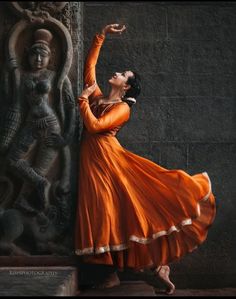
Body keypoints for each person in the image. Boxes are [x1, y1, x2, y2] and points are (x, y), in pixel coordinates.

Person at [75, 24, 216, 294]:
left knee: (117, 212)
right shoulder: (102, 98)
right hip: (94, 162)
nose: (116, 72)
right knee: (108, 215)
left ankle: (155, 266)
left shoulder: (122, 109)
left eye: (122, 74)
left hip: (109, 162)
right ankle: (116, 274)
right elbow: (88, 72)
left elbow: (94, 127)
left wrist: (82, 102)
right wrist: (101, 37)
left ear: (126, 86)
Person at [6, 28, 75, 213]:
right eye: (34, 55)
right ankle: (38, 187)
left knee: (38, 169)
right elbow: (17, 107)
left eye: (42, 56)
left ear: (50, 56)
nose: (37, 60)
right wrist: (7, 135)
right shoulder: (22, 77)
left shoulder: (57, 77)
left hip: (51, 128)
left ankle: (27, 204)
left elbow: (70, 106)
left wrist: (67, 136)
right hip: (30, 126)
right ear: (27, 54)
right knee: (12, 160)